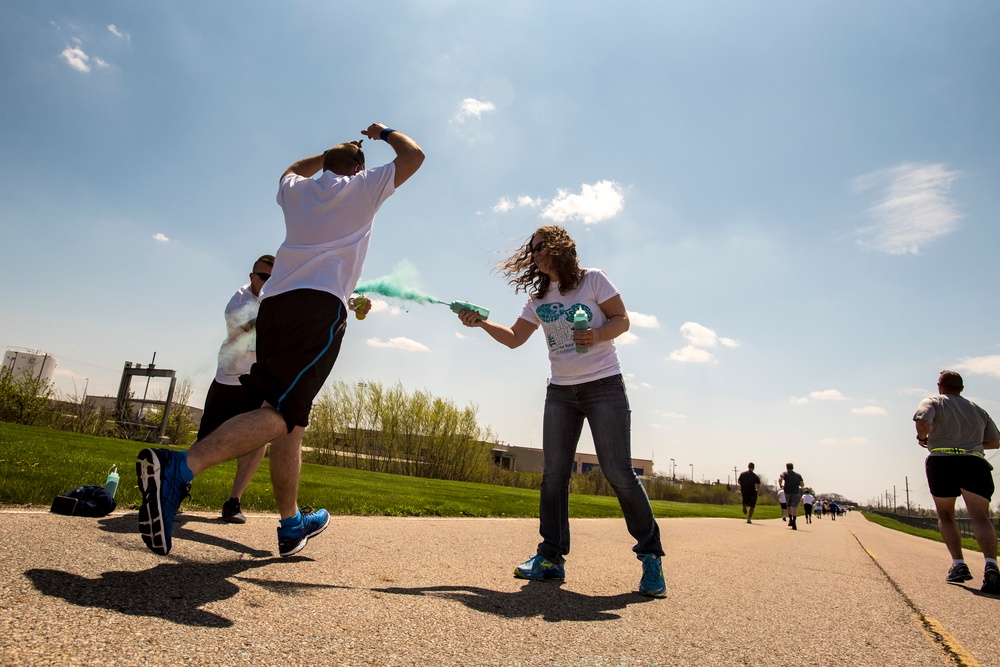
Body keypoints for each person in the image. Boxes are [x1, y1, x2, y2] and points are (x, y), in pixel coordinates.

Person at [136, 123, 424, 557]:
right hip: (319, 307)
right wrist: (382, 132)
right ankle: (180, 467)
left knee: (289, 415)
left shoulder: (295, 190)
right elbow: (414, 155)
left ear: (322, 166)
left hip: (276, 308)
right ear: (359, 166)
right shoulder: (364, 186)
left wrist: (328, 154)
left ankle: (291, 523)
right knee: (285, 412)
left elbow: (291, 168)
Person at [456, 225, 666, 598]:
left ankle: (650, 556)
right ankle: (550, 557)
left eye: (540, 247)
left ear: (559, 247)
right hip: (561, 392)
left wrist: (599, 335)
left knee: (618, 471)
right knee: (553, 476)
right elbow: (515, 339)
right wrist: (482, 323)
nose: (535, 254)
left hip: (604, 386)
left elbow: (622, 319)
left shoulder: (594, 280)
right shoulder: (538, 299)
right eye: (532, 250)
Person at [198, 254, 275, 524]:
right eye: (263, 276)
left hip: (257, 380)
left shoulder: (277, 295)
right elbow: (245, 329)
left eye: (272, 277)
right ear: (252, 276)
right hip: (229, 378)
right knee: (205, 440)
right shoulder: (239, 301)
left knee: (257, 438)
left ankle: (234, 501)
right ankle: (176, 488)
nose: (268, 282)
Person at [914, 370, 1000, 594]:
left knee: (946, 514)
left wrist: (924, 439)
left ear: (939, 386)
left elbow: (922, 422)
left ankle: (959, 565)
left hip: (942, 461)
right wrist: (970, 443)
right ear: (961, 388)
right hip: (974, 463)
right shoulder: (977, 410)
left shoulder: (933, 401)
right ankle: (991, 565)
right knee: (980, 516)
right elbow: (995, 442)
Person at [780, 463, 804, 530]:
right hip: (796, 492)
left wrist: (780, 485)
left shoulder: (785, 473)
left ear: (786, 467)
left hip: (787, 492)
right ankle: (794, 521)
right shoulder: (798, 475)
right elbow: (802, 485)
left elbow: (780, 479)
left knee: (789, 506)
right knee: (794, 507)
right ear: (793, 467)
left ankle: (790, 519)